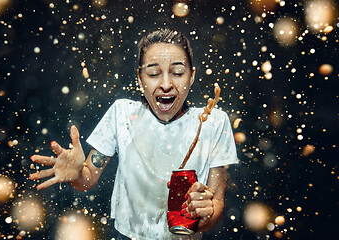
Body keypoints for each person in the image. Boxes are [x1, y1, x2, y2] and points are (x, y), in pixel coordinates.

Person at [29, 28, 238, 240]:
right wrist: (76, 174)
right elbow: (87, 179)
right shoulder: (122, 114)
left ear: (191, 77)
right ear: (140, 78)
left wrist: (203, 213)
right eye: (154, 73)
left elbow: (216, 205)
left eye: (177, 72)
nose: (166, 85)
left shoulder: (213, 122)